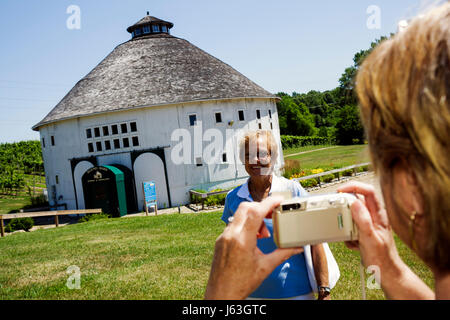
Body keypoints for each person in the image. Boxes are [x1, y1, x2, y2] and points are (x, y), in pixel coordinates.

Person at [204, 3, 450, 300]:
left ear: (410, 179)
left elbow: (315, 246)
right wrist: (388, 266)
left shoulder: (292, 189)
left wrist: (219, 295)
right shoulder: (234, 199)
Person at [221, 130, 339, 300]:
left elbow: (316, 241)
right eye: (248, 155)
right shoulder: (233, 199)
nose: (255, 160)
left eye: (261, 154)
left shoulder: (292, 190)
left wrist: (324, 289)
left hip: (297, 293)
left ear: (273, 157)